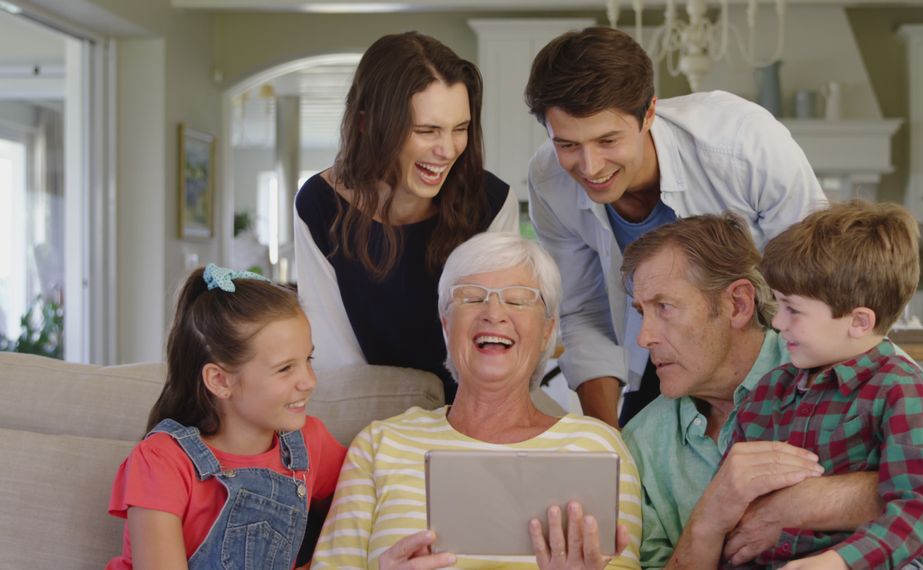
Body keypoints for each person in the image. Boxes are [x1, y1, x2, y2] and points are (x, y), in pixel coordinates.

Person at [619, 215, 923, 569]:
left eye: (665, 308)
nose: (644, 338)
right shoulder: (643, 442)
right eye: (641, 313)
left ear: (739, 304)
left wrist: (808, 503)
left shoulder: (861, 358)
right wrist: (708, 522)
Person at [523, 26, 827, 427]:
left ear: (649, 113)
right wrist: (609, 443)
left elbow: (821, 274)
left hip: (775, 345)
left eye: (608, 141)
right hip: (661, 360)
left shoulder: (743, 142)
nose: (590, 167)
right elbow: (584, 313)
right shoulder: (549, 181)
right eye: (567, 145)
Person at [311, 232, 641, 569]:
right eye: (470, 298)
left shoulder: (598, 448)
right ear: (446, 325)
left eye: (517, 299)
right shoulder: (379, 444)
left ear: (546, 331)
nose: (493, 313)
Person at [727, 200, 923, 568]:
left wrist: (838, 562)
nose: (777, 323)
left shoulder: (901, 389)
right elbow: (737, 504)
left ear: (859, 322)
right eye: (778, 305)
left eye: (793, 309)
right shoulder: (768, 394)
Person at [294, 32, 518, 404]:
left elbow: (499, 333)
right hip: (365, 401)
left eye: (459, 129)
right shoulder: (319, 205)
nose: (447, 150)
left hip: (473, 402)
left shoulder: (491, 202)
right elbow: (333, 350)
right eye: (426, 131)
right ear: (368, 124)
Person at [106, 264, 347, 569]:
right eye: (285, 368)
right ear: (220, 381)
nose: (309, 381)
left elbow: (367, 495)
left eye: (308, 359)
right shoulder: (162, 462)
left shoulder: (311, 443)